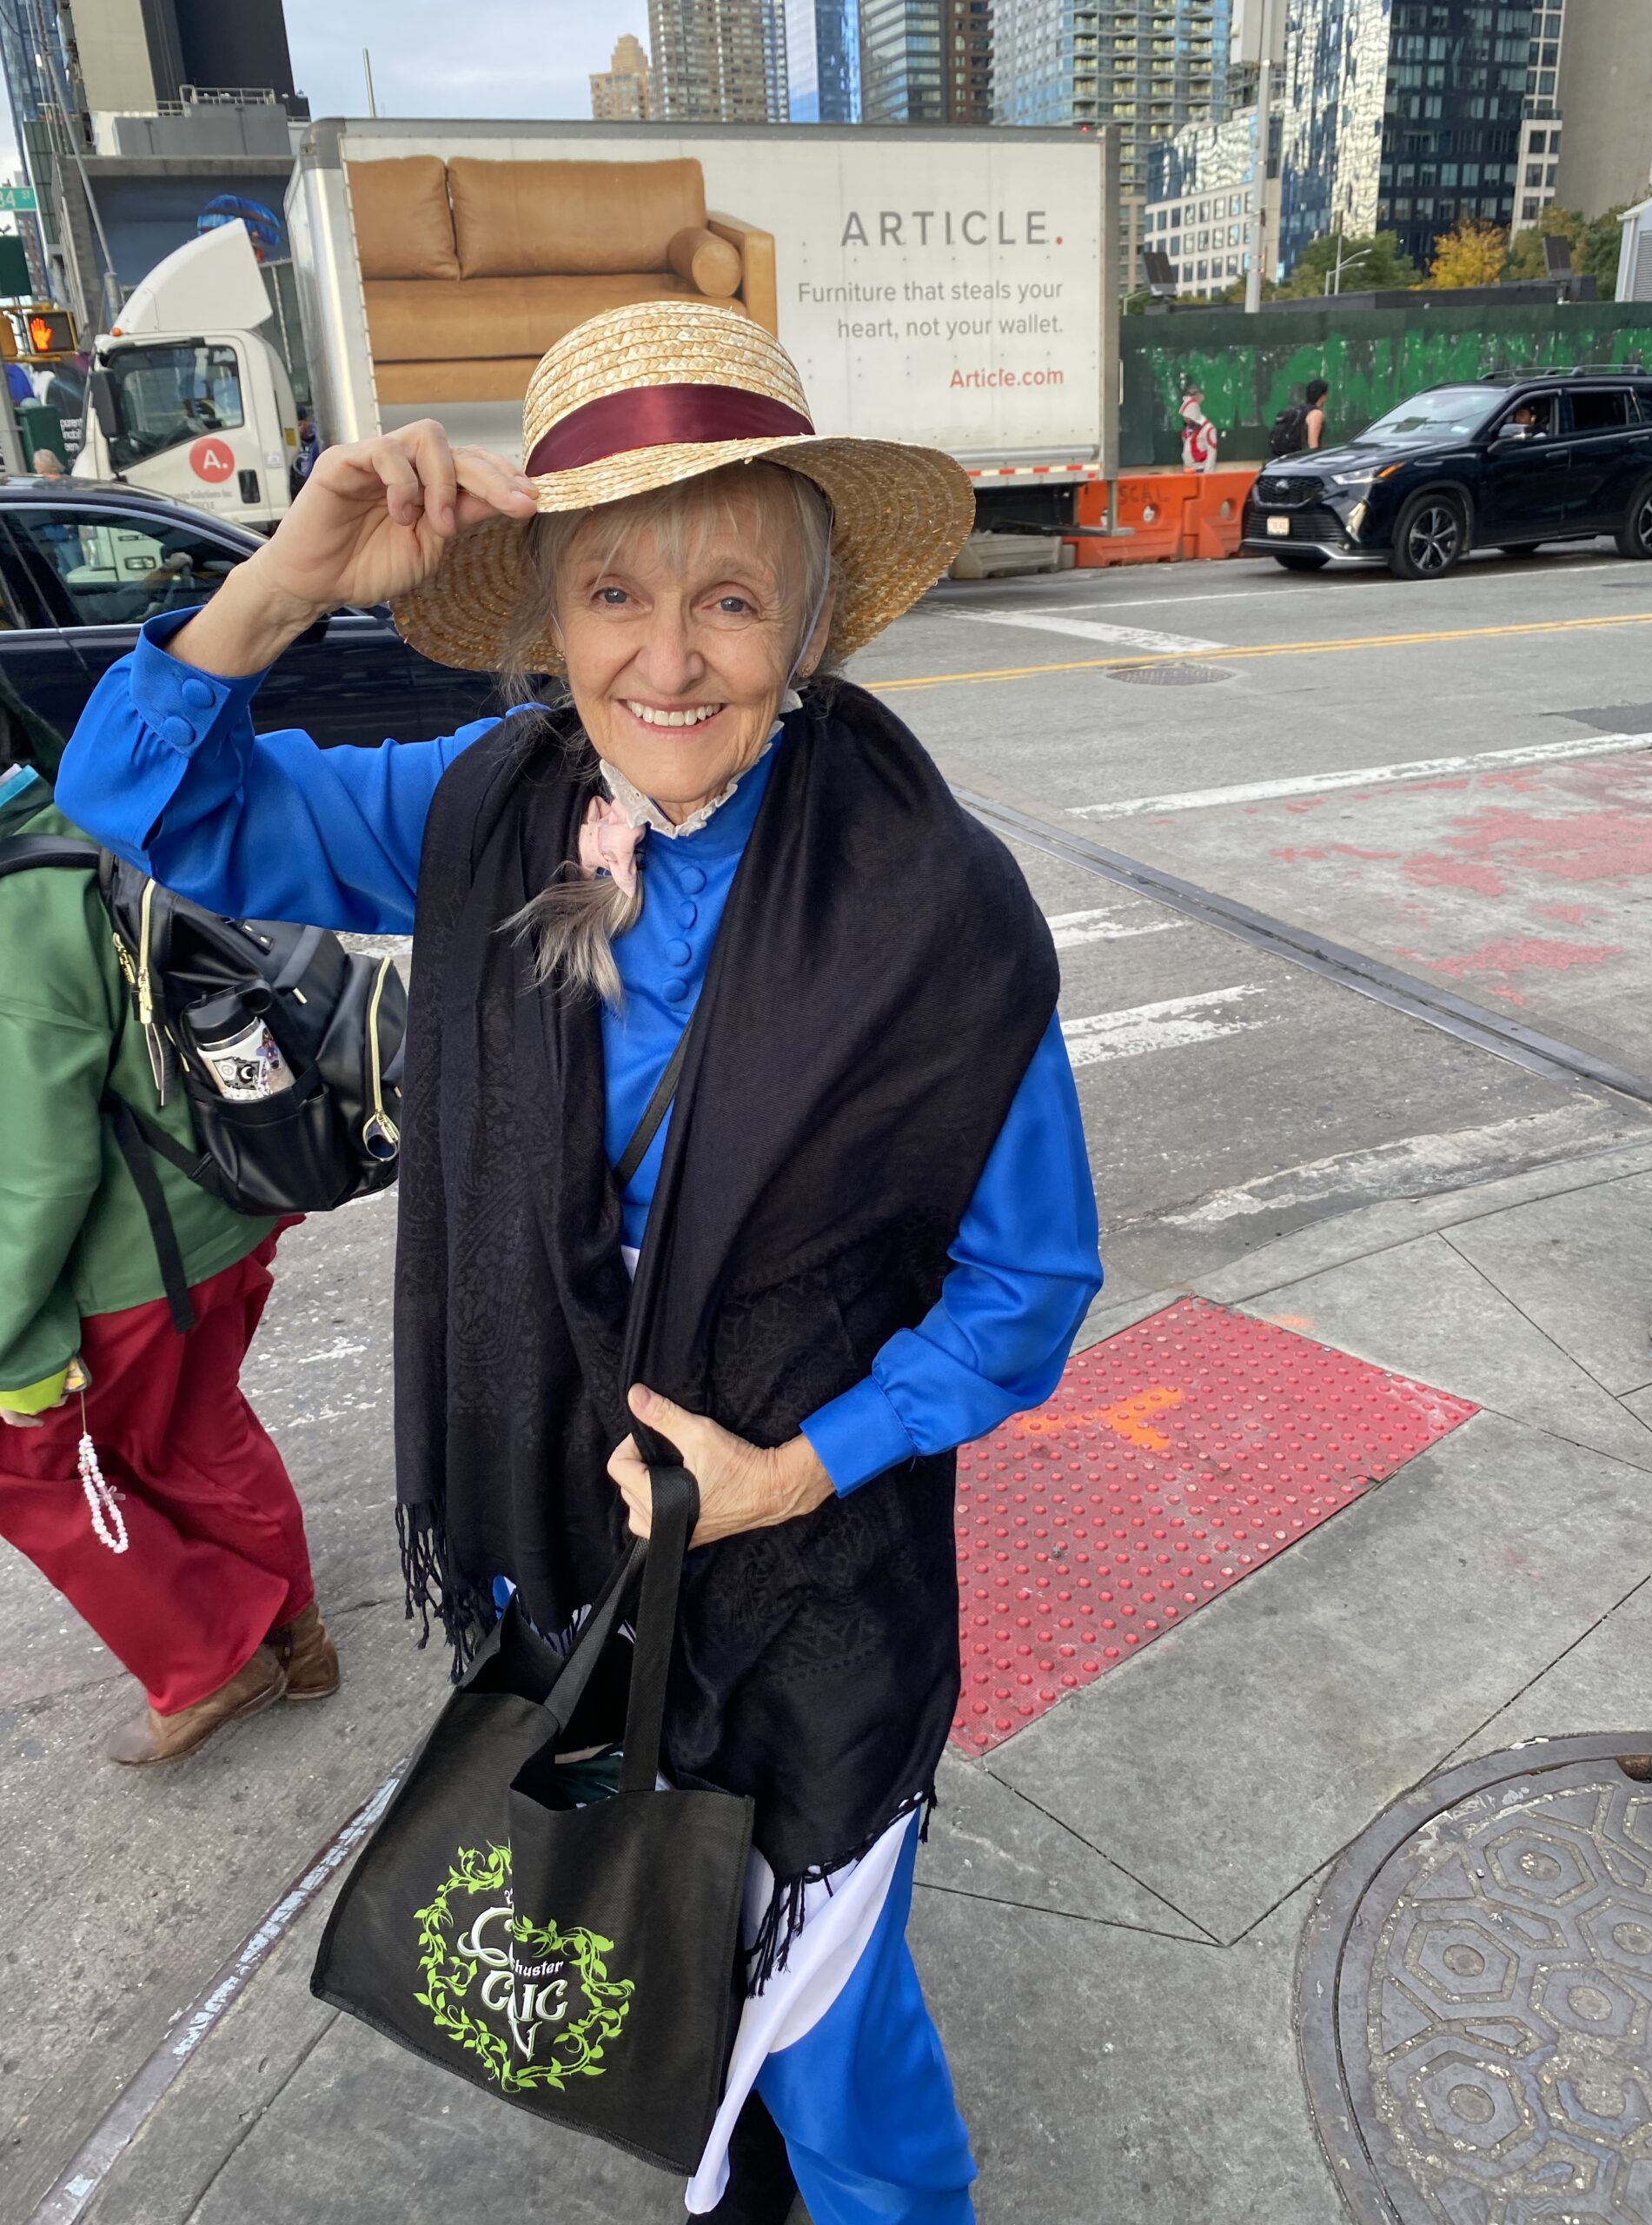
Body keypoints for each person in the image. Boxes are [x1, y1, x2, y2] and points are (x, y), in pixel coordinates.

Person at [56, 299, 1102, 2225]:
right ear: (547, 621)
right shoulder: (481, 811)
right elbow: (148, 798)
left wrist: (793, 1466)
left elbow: (1029, 1282)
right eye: (614, 589)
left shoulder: (932, 901)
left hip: (807, 1597)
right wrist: (289, 576)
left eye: (728, 594)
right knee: (659, 1976)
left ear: (806, 623)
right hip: (568, 1567)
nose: (669, 653)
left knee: (836, 2040)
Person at [0, 676, 338, 1766]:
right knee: (198, 1431)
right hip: (223, 1203)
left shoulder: (11, 911)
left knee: (36, 1470)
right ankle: (298, 1634)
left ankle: (208, 1661)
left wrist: (10, 1338)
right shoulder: (75, 816)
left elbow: (33, 1175)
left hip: (130, 1265)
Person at [1180, 378, 1217, 471]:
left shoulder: (1208, 428)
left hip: (1201, 469)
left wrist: (1207, 475)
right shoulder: (1187, 428)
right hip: (1189, 470)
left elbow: (1212, 452)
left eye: (1195, 394)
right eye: (1189, 395)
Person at [1304, 376, 1330, 449]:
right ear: (1322, 396)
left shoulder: (1303, 410)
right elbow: (1313, 446)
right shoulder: (1316, 414)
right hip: (1307, 458)